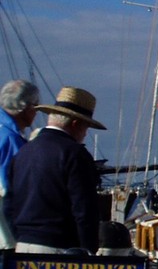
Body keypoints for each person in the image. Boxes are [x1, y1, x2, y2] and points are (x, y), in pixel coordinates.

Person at [4, 86, 106, 254]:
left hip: (23, 245)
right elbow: (84, 209)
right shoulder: (75, 154)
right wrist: (88, 249)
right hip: (59, 249)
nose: (85, 134)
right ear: (76, 124)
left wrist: (20, 236)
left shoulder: (23, 151)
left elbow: (8, 204)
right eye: (86, 127)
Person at [0, 79, 40, 249]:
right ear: (26, 107)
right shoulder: (11, 139)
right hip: (5, 227)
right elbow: (10, 187)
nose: (36, 112)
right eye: (36, 106)